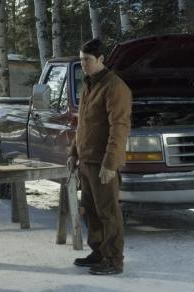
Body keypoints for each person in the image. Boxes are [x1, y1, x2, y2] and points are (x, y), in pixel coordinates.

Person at [68, 39, 132, 275]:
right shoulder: (88, 84)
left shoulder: (115, 87)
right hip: (86, 160)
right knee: (91, 210)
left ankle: (114, 259)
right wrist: (74, 153)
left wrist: (110, 163)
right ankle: (99, 252)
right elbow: (83, 123)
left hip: (102, 162)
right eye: (81, 59)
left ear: (102, 59)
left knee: (108, 212)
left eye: (87, 59)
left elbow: (119, 127)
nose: (83, 64)